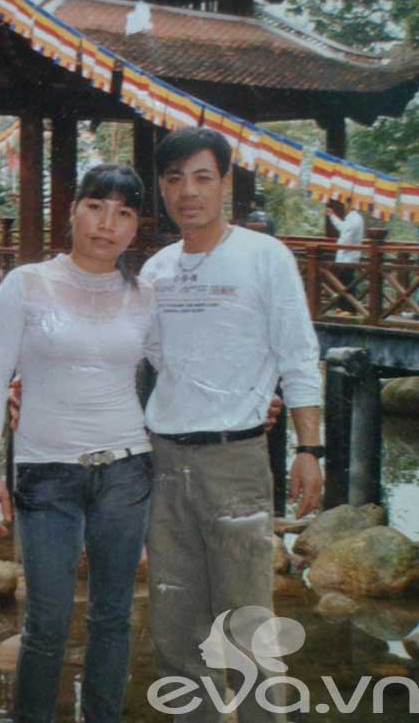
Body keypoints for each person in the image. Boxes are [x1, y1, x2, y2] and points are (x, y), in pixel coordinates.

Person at [140, 127, 323, 723]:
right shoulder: (157, 270)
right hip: (166, 463)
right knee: (176, 630)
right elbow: (150, 358)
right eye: (174, 179)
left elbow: (298, 355)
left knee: (247, 628)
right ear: (162, 188)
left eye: (202, 177)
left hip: (236, 462)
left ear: (225, 184)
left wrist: (309, 448)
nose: (187, 192)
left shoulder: (265, 257)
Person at [0, 164, 159, 723]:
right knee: (47, 622)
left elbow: (181, 371)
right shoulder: (27, 284)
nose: (107, 224)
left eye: (123, 213)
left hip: (126, 470)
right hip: (45, 472)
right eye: (96, 207)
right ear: (73, 211)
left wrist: (252, 402)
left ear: (135, 227)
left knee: (112, 618)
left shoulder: (145, 296)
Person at [326, 200, 364, 314]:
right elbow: (343, 227)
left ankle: (349, 309)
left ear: (350, 205)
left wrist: (337, 244)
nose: (344, 207)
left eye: (346, 204)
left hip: (348, 257)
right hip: (346, 256)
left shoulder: (354, 219)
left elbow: (346, 239)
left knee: (348, 283)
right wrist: (332, 216)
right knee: (342, 282)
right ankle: (342, 306)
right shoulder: (352, 218)